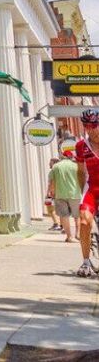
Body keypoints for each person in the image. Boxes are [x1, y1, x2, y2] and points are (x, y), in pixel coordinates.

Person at [74, 110, 99, 276]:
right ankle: (85, 262)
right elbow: (81, 173)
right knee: (84, 222)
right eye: (86, 126)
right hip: (91, 189)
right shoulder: (81, 146)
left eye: (93, 125)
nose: (90, 129)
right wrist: (83, 193)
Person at [48, 151, 82, 243]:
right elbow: (82, 179)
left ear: (62, 157)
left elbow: (52, 182)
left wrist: (51, 192)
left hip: (60, 194)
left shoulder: (56, 167)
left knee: (64, 216)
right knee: (77, 215)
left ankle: (69, 236)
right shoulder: (76, 166)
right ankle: (78, 234)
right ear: (71, 157)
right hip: (75, 194)